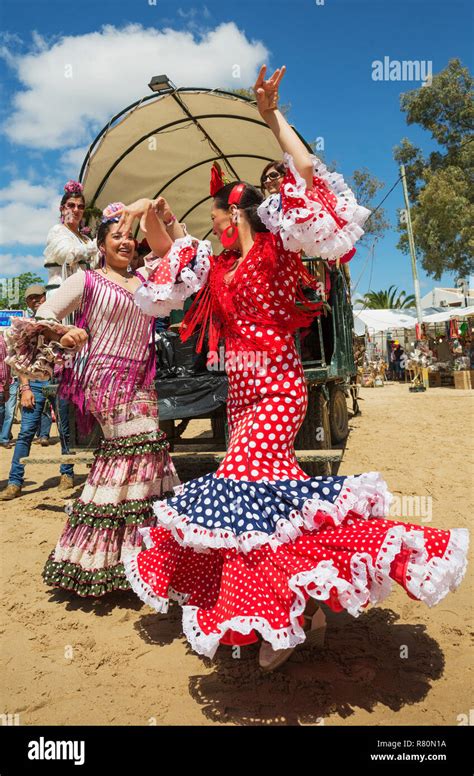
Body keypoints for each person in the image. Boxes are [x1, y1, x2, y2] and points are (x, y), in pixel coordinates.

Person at [113, 65, 468, 673]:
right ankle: (307, 607)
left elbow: (305, 175)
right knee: (262, 503)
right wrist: (148, 208)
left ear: (239, 213)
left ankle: (279, 623)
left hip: (278, 390)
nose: (210, 224)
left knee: (249, 498)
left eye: (220, 213)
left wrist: (269, 115)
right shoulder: (216, 266)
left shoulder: (279, 251)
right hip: (242, 393)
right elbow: (167, 251)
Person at [5, 203, 207, 596]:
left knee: (141, 456)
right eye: (116, 236)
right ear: (100, 246)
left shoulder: (149, 279)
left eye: (130, 237)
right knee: (141, 444)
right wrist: (62, 335)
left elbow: (180, 253)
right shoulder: (86, 281)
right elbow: (41, 316)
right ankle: (127, 555)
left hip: (142, 378)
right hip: (104, 378)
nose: (126, 242)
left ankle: (128, 558)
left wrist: (159, 214)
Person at [0, 285, 75, 500]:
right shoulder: (24, 328)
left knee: (64, 430)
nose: (36, 300)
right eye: (31, 298)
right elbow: (20, 360)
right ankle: (15, 482)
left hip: (60, 380)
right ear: (27, 303)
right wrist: (24, 388)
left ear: (45, 297)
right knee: (25, 432)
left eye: (39, 296)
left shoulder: (62, 322)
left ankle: (67, 474)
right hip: (34, 383)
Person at [44, 180, 98, 299]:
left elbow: (96, 264)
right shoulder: (58, 230)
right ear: (62, 209)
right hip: (62, 294)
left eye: (80, 206)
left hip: (84, 295)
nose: (76, 210)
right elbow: (67, 255)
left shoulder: (85, 239)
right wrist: (97, 245)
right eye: (71, 205)